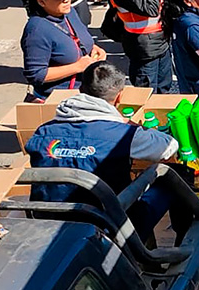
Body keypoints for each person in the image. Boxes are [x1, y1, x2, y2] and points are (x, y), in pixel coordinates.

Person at [25, 61, 187, 242]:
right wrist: (128, 124)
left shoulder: (43, 132)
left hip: (50, 220)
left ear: (80, 89)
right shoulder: (122, 135)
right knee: (176, 174)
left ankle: (146, 251)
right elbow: (169, 146)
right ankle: (178, 242)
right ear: (119, 97)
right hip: (109, 226)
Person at [21, 0, 105, 101]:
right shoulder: (36, 30)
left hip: (86, 91)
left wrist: (93, 48)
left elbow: (75, 40)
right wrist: (77, 67)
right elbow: (36, 75)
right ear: (41, 1)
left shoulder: (69, 12)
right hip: (60, 100)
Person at [106, 0, 174, 92]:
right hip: (144, 49)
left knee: (164, 87)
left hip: (161, 42)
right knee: (146, 91)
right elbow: (150, 9)